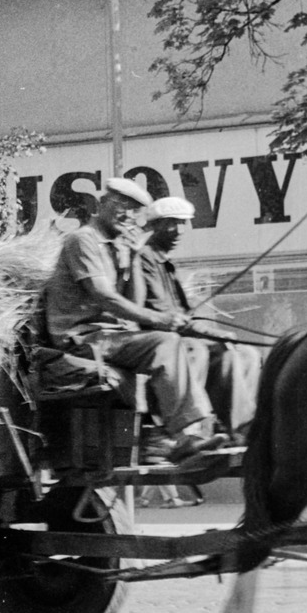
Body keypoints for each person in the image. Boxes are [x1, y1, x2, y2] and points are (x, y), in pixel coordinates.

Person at [41, 177, 225, 462]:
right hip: (82, 338)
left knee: (191, 348)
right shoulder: (83, 240)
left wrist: (136, 256)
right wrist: (159, 319)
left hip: (111, 337)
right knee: (165, 343)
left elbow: (134, 303)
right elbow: (105, 297)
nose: (127, 215)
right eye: (121, 206)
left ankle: (166, 436)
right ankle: (183, 435)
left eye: (133, 211)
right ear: (102, 204)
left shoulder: (119, 246)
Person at [135, 196, 262, 438]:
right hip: (158, 339)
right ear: (155, 225)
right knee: (216, 352)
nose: (180, 231)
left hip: (176, 333)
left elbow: (183, 313)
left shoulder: (165, 263)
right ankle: (223, 428)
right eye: (172, 223)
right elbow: (163, 314)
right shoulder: (146, 258)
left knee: (247, 354)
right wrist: (213, 333)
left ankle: (241, 425)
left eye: (183, 223)